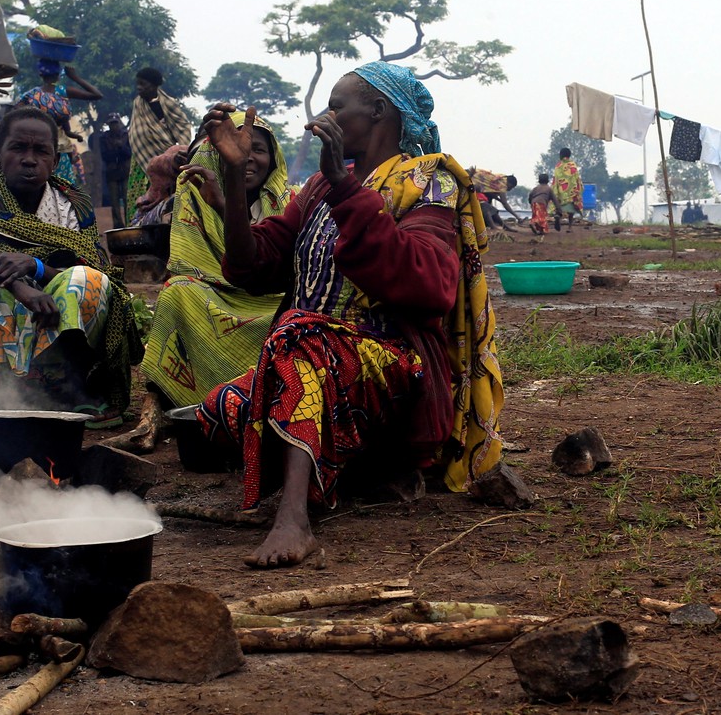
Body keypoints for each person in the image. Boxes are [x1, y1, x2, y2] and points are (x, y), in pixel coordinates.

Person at [195, 61, 504, 568]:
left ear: (378, 111)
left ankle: (295, 518)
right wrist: (233, 180)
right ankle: (356, 469)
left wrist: (344, 187)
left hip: (393, 364)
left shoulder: (429, 180)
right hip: (312, 360)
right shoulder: (319, 187)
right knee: (220, 407)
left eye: (338, 106)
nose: (325, 115)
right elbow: (255, 264)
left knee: (300, 335)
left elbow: (429, 284)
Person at [0, 107, 142, 431]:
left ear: (55, 161)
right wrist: (18, 285)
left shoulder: (72, 203)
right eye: (18, 148)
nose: (29, 159)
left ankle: (75, 387)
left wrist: (35, 266)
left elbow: (93, 265)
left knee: (88, 280)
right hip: (1, 312)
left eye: (40, 151)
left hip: (54, 311)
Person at [120, 112, 294, 451]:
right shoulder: (195, 196)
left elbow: (275, 264)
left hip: (270, 300)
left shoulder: (289, 202)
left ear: (273, 157)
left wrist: (226, 203)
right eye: (236, 151)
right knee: (176, 294)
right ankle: (157, 411)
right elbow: (193, 264)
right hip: (212, 294)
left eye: (258, 149)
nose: (248, 159)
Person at [17, 59, 102, 188]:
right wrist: (75, 77)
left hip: (39, 148)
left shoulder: (32, 95)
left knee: (42, 187)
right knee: (63, 188)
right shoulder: (62, 92)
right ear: (58, 74)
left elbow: (15, 113)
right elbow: (96, 94)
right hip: (60, 150)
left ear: (40, 74)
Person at [127, 67, 193, 223]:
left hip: (163, 162)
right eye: (138, 84)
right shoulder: (138, 103)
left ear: (154, 85)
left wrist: (178, 152)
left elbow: (183, 126)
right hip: (140, 160)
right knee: (137, 196)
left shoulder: (168, 104)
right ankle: (136, 225)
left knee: (163, 196)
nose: (139, 88)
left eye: (143, 84)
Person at [98, 113, 132, 228]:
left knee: (128, 198)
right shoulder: (103, 138)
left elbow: (129, 153)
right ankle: (118, 224)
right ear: (109, 125)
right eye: (111, 124)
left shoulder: (126, 135)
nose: (114, 126)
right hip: (112, 172)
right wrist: (117, 151)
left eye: (115, 123)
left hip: (125, 170)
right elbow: (104, 156)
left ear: (119, 123)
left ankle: (130, 221)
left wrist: (121, 147)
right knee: (114, 201)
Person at [552, 147, 584, 230]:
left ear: (561, 155)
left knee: (558, 206)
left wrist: (555, 191)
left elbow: (555, 180)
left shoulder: (558, 166)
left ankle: (558, 216)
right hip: (571, 192)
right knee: (571, 211)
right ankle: (569, 227)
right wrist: (579, 188)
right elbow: (577, 178)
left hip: (561, 192)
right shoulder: (573, 165)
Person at [528, 173, 555, 238]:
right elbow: (555, 200)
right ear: (548, 181)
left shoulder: (535, 188)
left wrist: (531, 203)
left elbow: (530, 196)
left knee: (537, 216)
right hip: (541, 204)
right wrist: (559, 210)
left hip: (533, 203)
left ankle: (540, 230)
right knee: (542, 218)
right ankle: (533, 223)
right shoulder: (548, 189)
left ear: (539, 181)